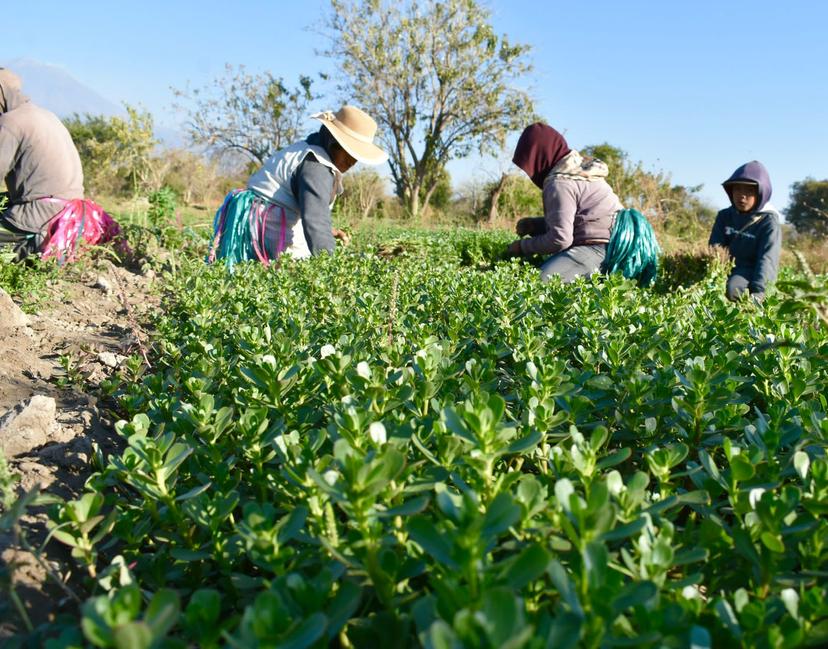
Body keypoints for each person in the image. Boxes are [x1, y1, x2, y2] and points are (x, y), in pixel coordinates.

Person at [209, 105, 387, 267]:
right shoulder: (316, 166)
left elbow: (308, 210)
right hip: (268, 220)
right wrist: (334, 271)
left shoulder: (310, 151)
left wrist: (329, 231)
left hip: (260, 215)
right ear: (335, 144)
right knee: (295, 271)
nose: (353, 161)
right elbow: (315, 220)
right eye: (350, 152)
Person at [0, 67, 116, 263]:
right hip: (67, 219)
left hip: (37, 221)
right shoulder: (47, 116)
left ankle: (29, 248)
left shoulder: (11, 121)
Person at [504, 123, 624, 283]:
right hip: (615, 246)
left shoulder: (560, 181)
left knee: (534, 287)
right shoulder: (577, 170)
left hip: (600, 250)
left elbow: (560, 239)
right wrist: (536, 225)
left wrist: (522, 247)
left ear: (539, 157)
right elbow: (579, 218)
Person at [708, 161, 781, 302]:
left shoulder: (768, 221)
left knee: (733, 288)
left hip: (749, 271)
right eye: (737, 190)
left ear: (761, 193)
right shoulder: (724, 216)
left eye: (749, 191)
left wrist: (760, 291)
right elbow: (715, 247)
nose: (742, 196)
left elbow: (767, 259)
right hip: (723, 269)